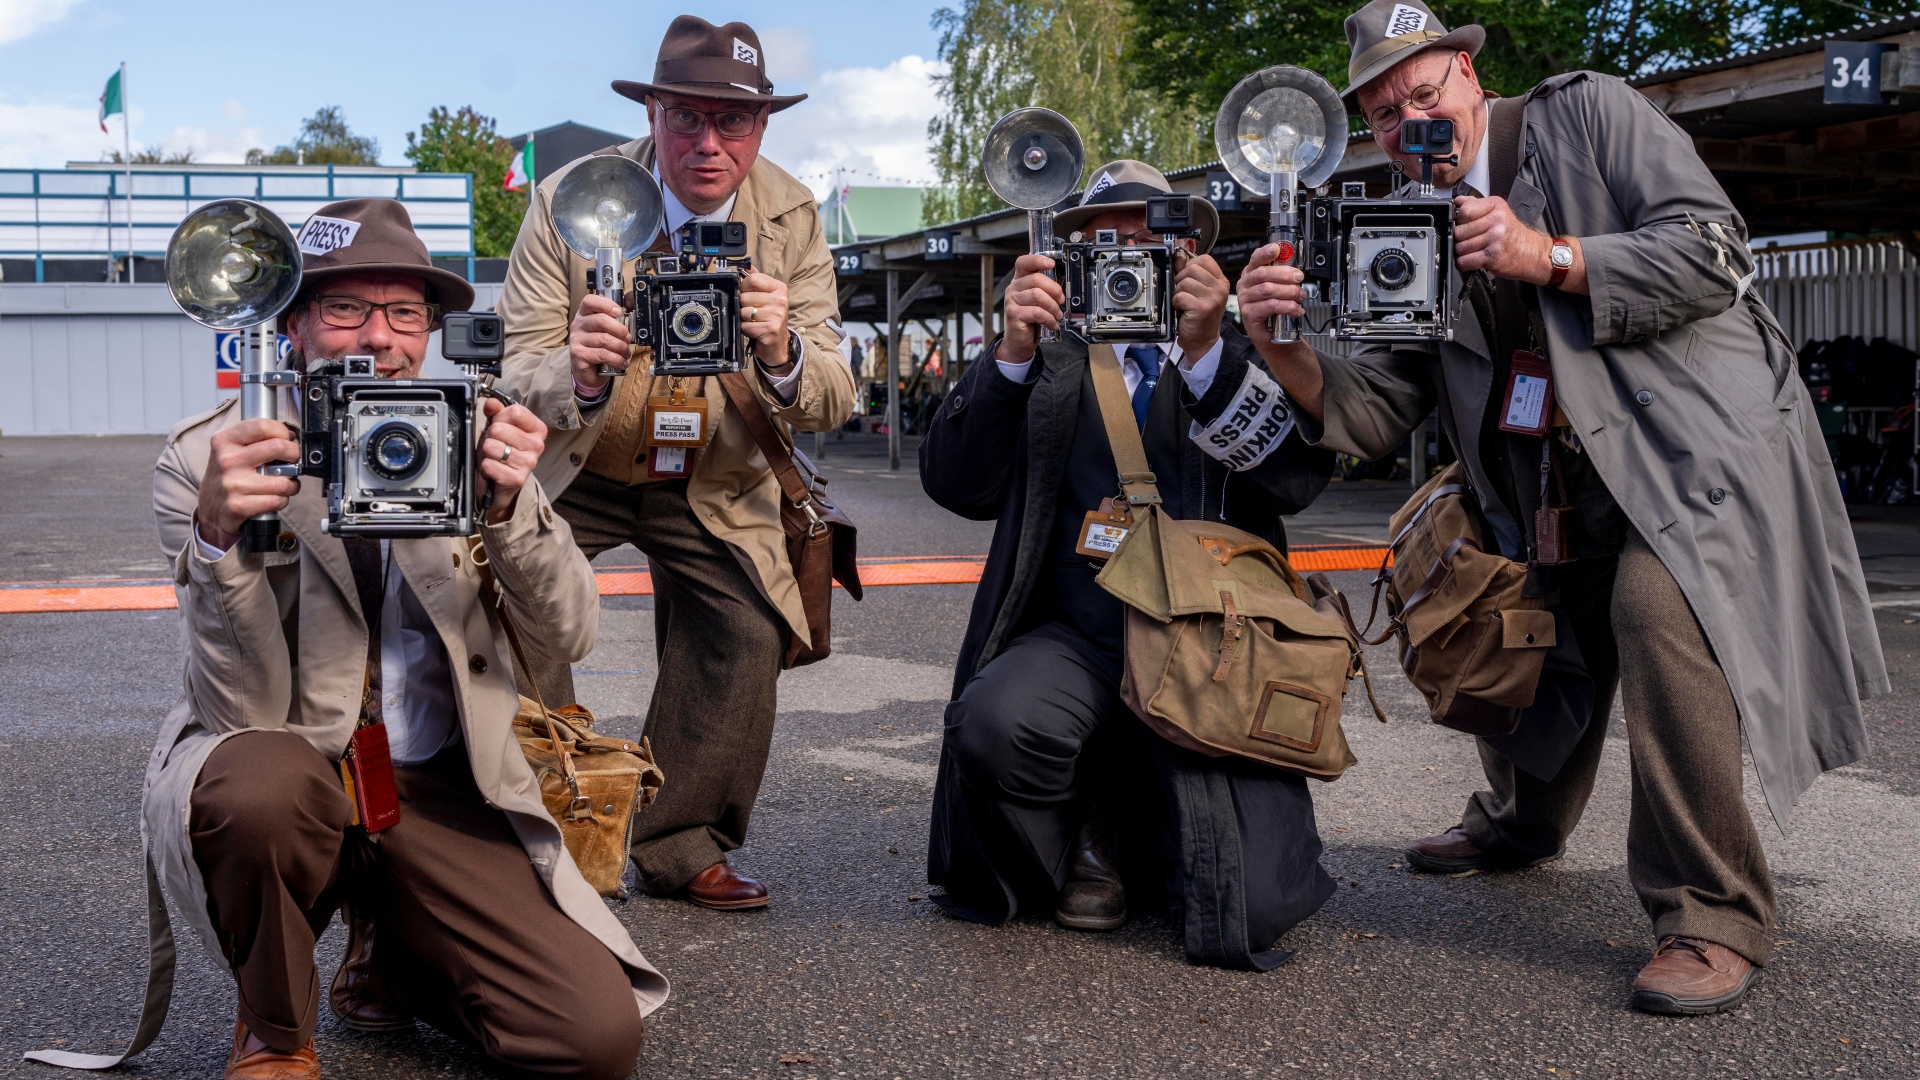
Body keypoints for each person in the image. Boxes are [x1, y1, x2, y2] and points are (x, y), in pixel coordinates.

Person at [1235, 0, 1888, 1013]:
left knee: (1652, 611)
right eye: (1382, 115)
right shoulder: (1406, 222)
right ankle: (1521, 820)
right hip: (1551, 480)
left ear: (1467, 71)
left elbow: (1717, 250)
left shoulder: (1588, 115)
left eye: (1424, 91)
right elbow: (1378, 410)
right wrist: (1283, 353)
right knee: (1533, 626)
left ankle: (1711, 913)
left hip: (1688, 456)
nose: (1412, 123)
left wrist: (1553, 255)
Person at [130, 199, 664, 1080]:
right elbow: (243, 710)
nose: (378, 337)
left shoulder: (473, 435)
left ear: (431, 331)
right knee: (261, 788)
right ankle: (272, 1027)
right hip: (291, 766)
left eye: (405, 312)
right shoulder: (209, 460)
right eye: (345, 309)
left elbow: (573, 628)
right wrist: (221, 540)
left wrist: (511, 507)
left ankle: (401, 943)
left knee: (590, 1041)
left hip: (434, 782)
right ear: (293, 325)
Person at [920, 160, 1338, 968]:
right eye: (1103, 241)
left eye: (1151, 239)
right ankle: (1086, 820)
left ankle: (1143, 830)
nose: (1126, 256)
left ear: (1192, 258)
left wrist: (1211, 350)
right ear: (1070, 257)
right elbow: (957, 485)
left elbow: (1295, 482)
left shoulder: (1235, 353)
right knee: (996, 725)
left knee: (1244, 900)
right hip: (1076, 634)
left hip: (1211, 641)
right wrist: (1007, 351)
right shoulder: (1048, 356)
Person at [497, 15, 855, 912]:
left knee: (746, 627)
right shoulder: (570, 198)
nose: (708, 143)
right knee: (505, 599)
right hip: (577, 465)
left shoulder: (792, 216)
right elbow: (513, 367)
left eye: (731, 123)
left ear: (762, 127)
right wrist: (574, 371)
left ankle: (677, 838)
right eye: (686, 117)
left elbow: (839, 390)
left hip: (711, 478)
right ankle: (542, 826)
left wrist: (781, 355)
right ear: (652, 111)